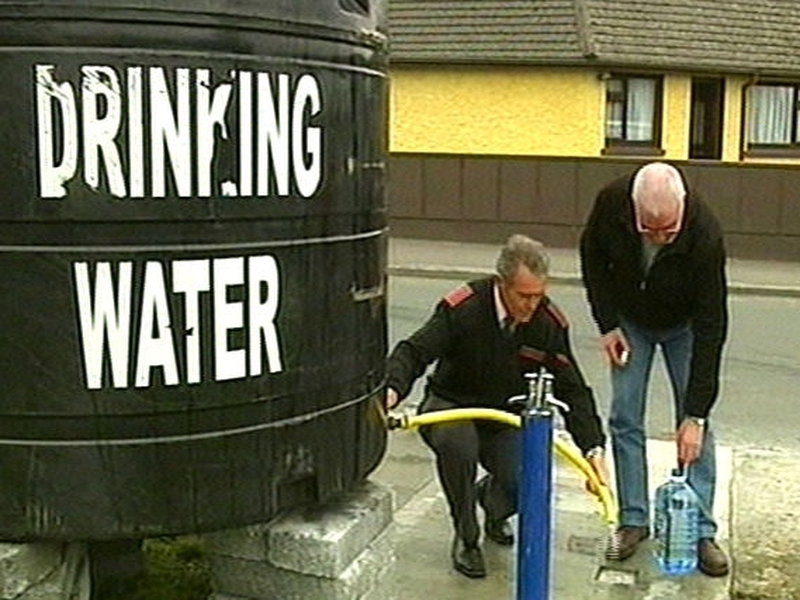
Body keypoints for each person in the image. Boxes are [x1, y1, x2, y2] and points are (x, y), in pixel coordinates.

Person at [384, 234, 609, 579]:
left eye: (538, 296)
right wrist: (392, 391)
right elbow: (415, 351)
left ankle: (492, 503)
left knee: (530, 479)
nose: (531, 306)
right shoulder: (464, 308)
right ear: (501, 284)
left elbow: (573, 389)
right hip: (452, 406)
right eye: (523, 296)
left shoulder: (547, 323)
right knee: (458, 446)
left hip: (505, 417)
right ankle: (467, 537)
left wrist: (593, 449)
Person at [579, 162, 729, 577]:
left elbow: (713, 326)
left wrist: (695, 415)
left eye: (669, 231)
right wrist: (607, 324)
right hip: (630, 321)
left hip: (684, 325)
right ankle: (633, 520)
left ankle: (700, 531)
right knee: (625, 415)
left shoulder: (705, 232)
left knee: (696, 426)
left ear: (682, 210)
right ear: (633, 210)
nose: (660, 238)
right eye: (650, 230)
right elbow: (590, 256)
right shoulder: (611, 202)